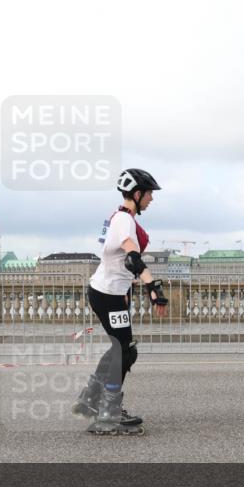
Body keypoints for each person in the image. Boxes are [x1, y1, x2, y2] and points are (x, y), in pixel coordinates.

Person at [74, 168, 167, 436]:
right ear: (137, 194)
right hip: (107, 294)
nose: (151, 198)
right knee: (125, 350)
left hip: (109, 292)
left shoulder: (117, 218)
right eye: (149, 193)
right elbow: (131, 259)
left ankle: (90, 398)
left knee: (120, 348)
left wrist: (128, 287)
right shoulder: (124, 221)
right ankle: (108, 413)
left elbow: (116, 261)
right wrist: (153, 286)